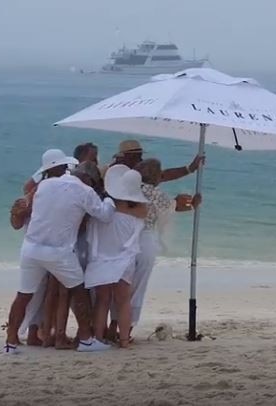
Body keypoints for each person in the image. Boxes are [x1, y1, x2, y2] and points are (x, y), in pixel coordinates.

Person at [4, 148, 117, 354]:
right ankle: (86, 340)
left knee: (23, 295)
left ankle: (10, 343)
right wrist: (109, 198)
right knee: (79, 291)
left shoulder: (42, 187)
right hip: (59, 252)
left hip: (30, 248)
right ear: (66, 167)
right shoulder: (83, 190)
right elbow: (105, 215)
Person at [129, 158, 201, 334]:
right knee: (138, 286)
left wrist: (189, 168)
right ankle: (127, 330)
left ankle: (112, 327)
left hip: (125, 239)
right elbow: (172, 209)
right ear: (157, 176)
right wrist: (194, 204)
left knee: (122, 285)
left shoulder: (128, 189)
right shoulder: (157, 195)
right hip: (145, 240)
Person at [83, 165, 148, 351]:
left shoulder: (101, 214)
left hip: (101, 260)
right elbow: (143, 211)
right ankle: (124, 341)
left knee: (102, 301)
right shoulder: (136, 217)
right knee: (123, 301)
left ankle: (98, 338)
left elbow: (91, 237)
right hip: (124, 261)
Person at [107, 140, 204, 183]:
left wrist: (189, 169)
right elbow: (162, 176)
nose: (141, 159)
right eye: (137, 156)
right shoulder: (113, 172)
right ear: (127, 156)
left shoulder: (137, 170)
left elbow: (163, 175)